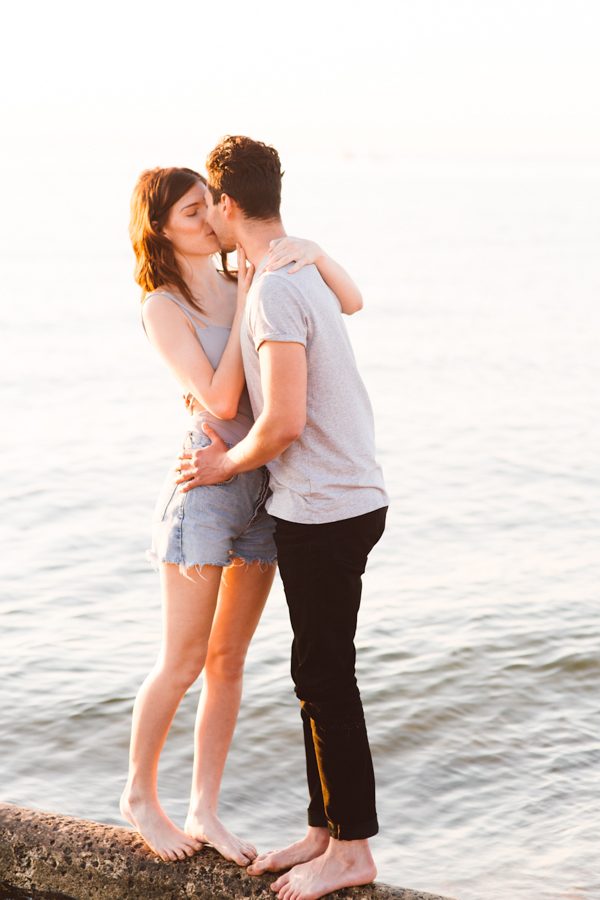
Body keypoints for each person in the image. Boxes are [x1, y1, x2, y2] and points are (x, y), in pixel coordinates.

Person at [122, 165, 365, 867]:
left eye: (208, 206)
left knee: (229, 662)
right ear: (161, 228)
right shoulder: (162, 306)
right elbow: (223, 402)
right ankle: (140, 796)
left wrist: (312, 253)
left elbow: (349, 303)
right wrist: (250, 300)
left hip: (265, 485)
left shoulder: (252, 280)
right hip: (208, 484)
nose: (207, 219)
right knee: (184, 660)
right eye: (190, 212)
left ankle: (204, 807)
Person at [176, 137, 388, 900]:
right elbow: (355, 300)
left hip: (326, 508)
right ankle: (323, 831)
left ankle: (354, 851)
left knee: (327, 677)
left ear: (229, 205)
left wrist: (221, 466)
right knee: (314, 672)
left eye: (211, 205)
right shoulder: (291, 268)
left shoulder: (272, 288)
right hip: (345, 498)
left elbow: (286, 419)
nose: (210, 218)